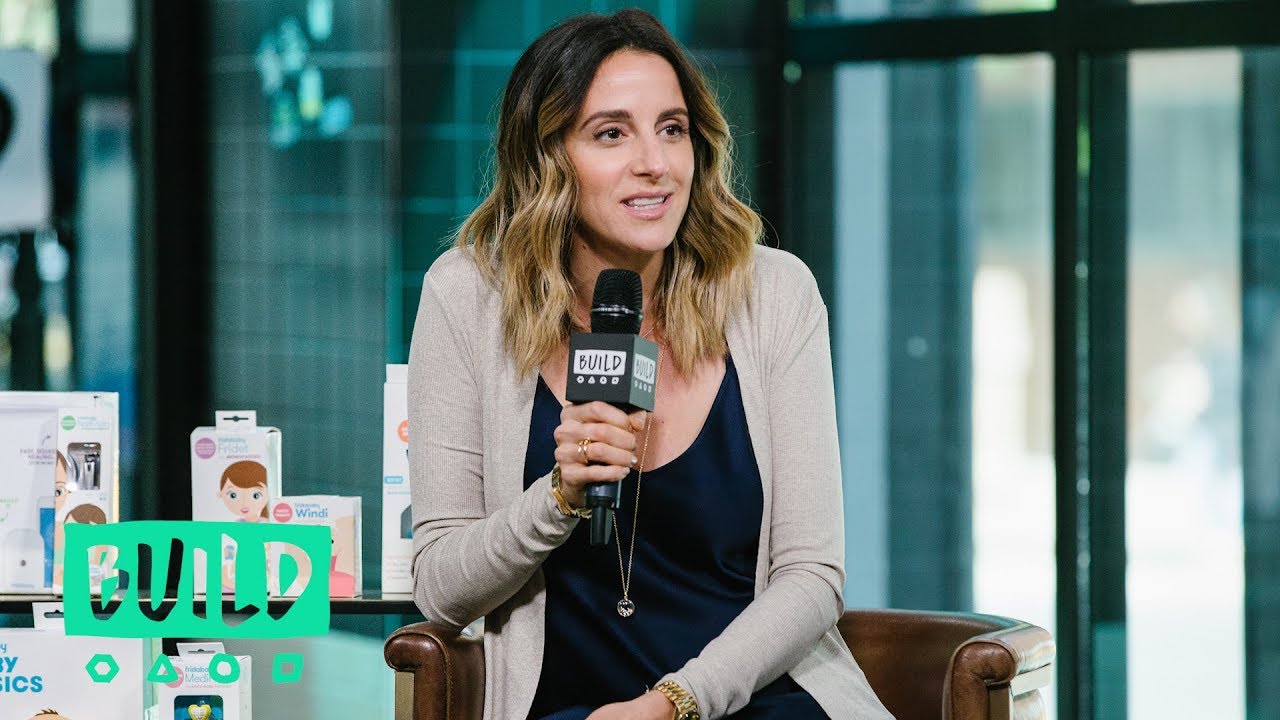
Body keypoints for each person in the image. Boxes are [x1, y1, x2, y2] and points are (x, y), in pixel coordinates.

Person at [408, 9, 893, 720]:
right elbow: (441, 589)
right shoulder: (466, 297)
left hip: (756, 699)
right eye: (611, 133)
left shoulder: (774, 293)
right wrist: (559, 497)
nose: (655, 163)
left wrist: (675, 703)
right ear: (546, 157)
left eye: (672, 128)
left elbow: (812, 575)